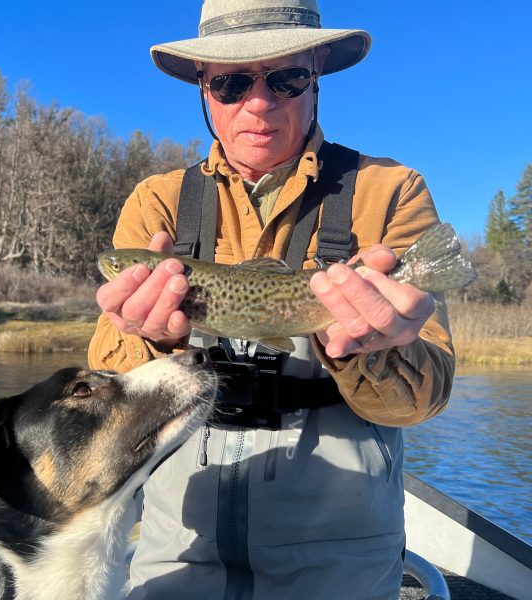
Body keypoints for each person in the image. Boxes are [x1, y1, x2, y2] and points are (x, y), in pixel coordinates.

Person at [88, 1, 454, 598]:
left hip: (342, 564)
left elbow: (421, 401)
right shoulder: (155, 201)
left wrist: (369, 345)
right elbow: (108, 396)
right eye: (231, 82)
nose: (259, 103)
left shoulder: (390, 192)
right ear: (204, 91)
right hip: (176, 553)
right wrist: (151, 338)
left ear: (316, 75)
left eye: (285, 78)